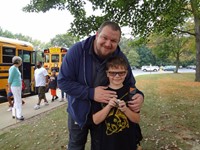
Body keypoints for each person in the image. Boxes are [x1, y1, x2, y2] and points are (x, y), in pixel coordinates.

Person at [58, 21, 144, 150]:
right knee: (76, 145)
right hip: (79, 111)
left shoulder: (120, 57)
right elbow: (63, 82)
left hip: (103, 114)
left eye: (114, 41)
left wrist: (139, 95)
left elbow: (130, 84)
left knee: (99, 146)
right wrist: (91, 93)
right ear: (97, 35)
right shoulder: (77, 51)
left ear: (118, 42)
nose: (108, 44)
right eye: (104, 38)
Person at [92, 56, 141, 150]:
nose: (117, 76)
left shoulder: (132, 91)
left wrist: (126, 110)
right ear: (107, 73)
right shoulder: (100, 92)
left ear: (126, 73)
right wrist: (108, 106)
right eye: (112, 73)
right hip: (107, 143)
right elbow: (96, 120)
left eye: (121, 73)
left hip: (128, 142)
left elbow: (137, 119)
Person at [8, 56, 24, 120]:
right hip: (15, 86)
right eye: (20, 61)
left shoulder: (16, 68)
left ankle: (14, 114)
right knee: (18, 101)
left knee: (16, 100)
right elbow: (10, 79)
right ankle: (19, 115)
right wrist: (9, 88)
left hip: (17, 86)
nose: (21, 62)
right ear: (18, 61)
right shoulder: (13, 68)